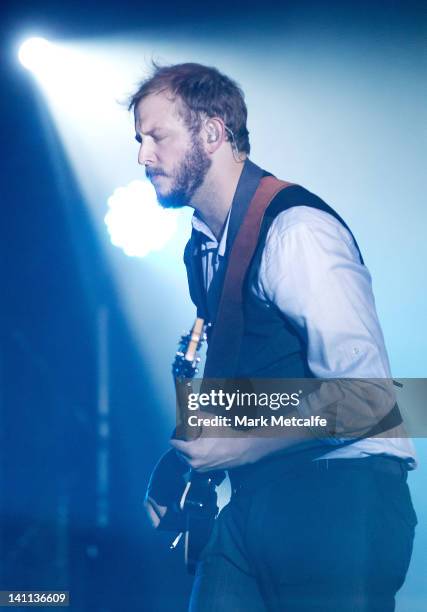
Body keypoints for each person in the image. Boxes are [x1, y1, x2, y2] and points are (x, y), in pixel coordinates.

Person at [128, 63, 417, 611]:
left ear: (212, 133)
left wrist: (241, 443)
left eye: (155, 137)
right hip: (259, 496)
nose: (142, 156)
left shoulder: (296, 229)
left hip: (342, 493)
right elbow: (250, 384)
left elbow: (372, 395)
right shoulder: (203, 250)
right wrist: (181, 462)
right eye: (139, 140)